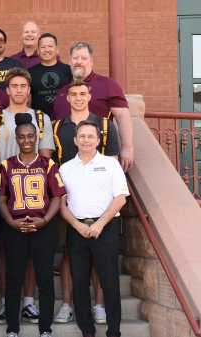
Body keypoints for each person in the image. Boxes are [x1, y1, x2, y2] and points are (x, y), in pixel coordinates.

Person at [0, 67, 55, 326]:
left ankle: (29, 303)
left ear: (29, 90)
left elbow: (45, 157)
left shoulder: (42, 119)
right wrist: (9, 184)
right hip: (6, 196)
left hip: (35, 195)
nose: (19, 90)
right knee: (5, 251)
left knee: (33, 252)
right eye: (14, 86)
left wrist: (27, 184)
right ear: (8, 90)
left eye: (23, 86)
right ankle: (6, 304)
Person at [51, 80, 121, 325]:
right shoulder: (58, 126)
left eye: (83, 94)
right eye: (74, 94)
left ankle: (99, 305)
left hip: (100, 208)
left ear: (89, 96)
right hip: (70, 205)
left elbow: (111, 164)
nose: (78, 98)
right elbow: (51, 163)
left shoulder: (104, 124)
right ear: (67, 98)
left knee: (99, 262)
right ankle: (68, 305)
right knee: (70, 256)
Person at [0, 113, 65, 337]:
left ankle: (45, 328)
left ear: (36, 138)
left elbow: (57, 197)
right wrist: (10, 222)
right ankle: (12, 328)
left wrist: (45, 220)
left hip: (43, 227)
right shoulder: (7, 165)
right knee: (14, 278)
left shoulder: (48, 164)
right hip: (14, 227)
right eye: (22, 137)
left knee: (45, 278)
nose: (26, 140)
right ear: (15, 139)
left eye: (30, 136)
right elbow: (1, 198)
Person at [59, 120, 128, 337]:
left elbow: (121, 198)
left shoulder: (110, 164)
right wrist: (78, 225)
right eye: (82, 136)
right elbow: (61, 204)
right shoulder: (65, 168)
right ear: (75, 140)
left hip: (104, 228)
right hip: (76, 229)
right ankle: (87, 331)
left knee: (109, 282)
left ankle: (114, 331)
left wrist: (99, 224)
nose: (86, 140)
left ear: (98, 140)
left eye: (90, 136)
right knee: (79, 283)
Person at [51, 41, 133, 171]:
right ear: (70, 61)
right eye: (75, 58)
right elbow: (55, 123)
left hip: (100, 157)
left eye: (84, 58)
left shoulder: (107, 84)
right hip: (67, 160)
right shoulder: (62, 91)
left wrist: (127, 147)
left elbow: (122, 115)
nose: (79, 61)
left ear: (91, 61)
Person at [28, 33, 72, 116]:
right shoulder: (29, 73)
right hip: (39, 122)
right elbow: (28, 102)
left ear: (57, 49)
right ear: (38, 51)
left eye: (50, 46)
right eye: (43, 47)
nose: (47, 50)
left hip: (64, 121)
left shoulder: (69, 70)